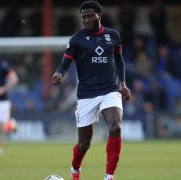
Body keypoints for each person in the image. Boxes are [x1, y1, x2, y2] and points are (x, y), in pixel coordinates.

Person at [52, 1, 131, 180]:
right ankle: (75, 169)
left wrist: (122, 83)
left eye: (89, 16)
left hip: (110, 89)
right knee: (84, 144)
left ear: (98, 16)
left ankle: (109, 176)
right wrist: (58, 73)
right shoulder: (77, 39)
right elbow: (64, 64)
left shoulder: (113, 36)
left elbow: (119, 61)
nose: (86, 20)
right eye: (83, 17)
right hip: (87, 94)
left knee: (115, 127)